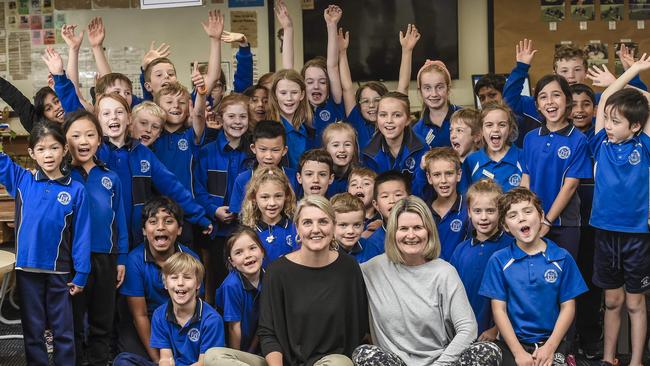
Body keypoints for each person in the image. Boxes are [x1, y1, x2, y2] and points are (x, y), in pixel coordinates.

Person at [206, 195, 368, 366]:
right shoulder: (277, 271)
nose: (315, 229)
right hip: (282, 362)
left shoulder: (348, 268)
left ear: (333, 225)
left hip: (328, 362)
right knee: (214, 356)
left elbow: (357, 327)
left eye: (323, 221)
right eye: (307, 223)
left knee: (340, 364)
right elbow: (268, 332)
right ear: (297, 227)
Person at [354, 196, 500, 366]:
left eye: (418, 227)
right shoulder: (371, 269)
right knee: (364, 353)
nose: (411, 235)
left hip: (441, 361)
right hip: (395, 363)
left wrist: (441, 364)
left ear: (429, 231)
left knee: (489, 351)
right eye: (403, 228)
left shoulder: (444, 272)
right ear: (393, 233)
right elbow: (336, 271)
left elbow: (468, 328)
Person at [0, 121, 91, 365]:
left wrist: (81, 273)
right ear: (32, 153)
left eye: (53, 148)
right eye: (40, 149)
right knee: (33, 331)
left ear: (64, 150)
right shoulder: (22, 180)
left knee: (63, 330)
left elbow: (82, 235)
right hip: (27, 271)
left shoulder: (76, 190)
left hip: (60, 273)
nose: (47, 154)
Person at [479, 187, 588, 366]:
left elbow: (568, 307)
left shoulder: (562, 257)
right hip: (512, 345)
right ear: (505, 226)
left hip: (552, 343)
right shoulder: (499, 260)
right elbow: (499, 310)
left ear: (541, 216)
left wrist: (550, 348)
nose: (521, 218)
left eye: (527, 211)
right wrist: (518, 353)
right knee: (474, 354)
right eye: (512, 215)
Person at [589, 55, 650, 366]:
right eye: (608, 120)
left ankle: (637, 360)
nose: (608, 125)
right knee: (612, 301)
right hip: (605, 232)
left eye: (616, 121)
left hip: (637, 236)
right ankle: (609, 358)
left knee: (636, 302)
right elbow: (607, 102)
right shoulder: (601, 142)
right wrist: (631, 71)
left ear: (636, 125)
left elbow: (644, 103)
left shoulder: (645, 145)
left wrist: (637, 82)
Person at [94, 92, 213, 245]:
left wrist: (200, 216)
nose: (114, 117)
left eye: (119, 112)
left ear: (128, 118)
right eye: (106, 113)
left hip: (136, 238)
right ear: (97, 120)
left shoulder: (144, 155)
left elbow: (172, 187)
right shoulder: (95, 153)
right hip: (103, 240)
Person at [64, 110, 129, 366]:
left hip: (105, 258)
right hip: (71, 259)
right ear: (65, 140)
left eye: (90, 135)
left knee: (102, 320)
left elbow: (120, 222)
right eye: (76, 135)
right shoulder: (62, 178)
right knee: (73, 321)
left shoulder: (110, 177)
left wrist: (121, 258)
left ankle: (100, 362)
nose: (84, 141)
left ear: (99, 140)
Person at [118, 197, 202, 362]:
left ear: (179, 229)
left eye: (169, 221)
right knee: (125, 360)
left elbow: (196, 306)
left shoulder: (191, 258)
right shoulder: (134, 260)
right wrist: (157, 360)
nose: (161, 227)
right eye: (153, 221)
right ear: (144, 230)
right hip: (146, 325)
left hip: (180, 323)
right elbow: (139, 315)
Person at [521, 74, 592, 259]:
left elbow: (570, 186)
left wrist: (547, 221)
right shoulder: (530, 138)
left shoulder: (578, 139)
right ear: (537, 104)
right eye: (543, 97)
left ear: (567, 100)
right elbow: (525, 180)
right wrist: (525, 216)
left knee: (562, 277)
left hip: (564, 224)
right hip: (532, 221)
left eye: (556, 95)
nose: (550, 102)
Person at [193, 93, 254, 302]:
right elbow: (197, 189)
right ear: (220, 118)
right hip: (217, 232)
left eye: (243, 116)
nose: (237, 122)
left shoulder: (254, 154)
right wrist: (213, 210)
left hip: (247, 229)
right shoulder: (207, 152)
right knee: (218, 281)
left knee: (248, 283)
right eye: (231, 116)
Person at [114, 252, 224, 366]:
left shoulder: (212, 320)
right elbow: (166, 358)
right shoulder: (160, 314)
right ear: (166, 284)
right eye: (174, 277)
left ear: (198, 284)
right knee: (123, 360)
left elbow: (204, 363)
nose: (180, 283)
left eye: (187, 277)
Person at [450, 179, 511, 340]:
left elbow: (517, 296)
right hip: (463, 331)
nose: (483, 217)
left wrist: (496, 330)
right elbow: (452, 293)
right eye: (477, 211)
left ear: (501, 212)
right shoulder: (460, 250)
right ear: (469, 212)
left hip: (497, 333)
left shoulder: (511, 248)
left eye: (490, 211)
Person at [361, 91, 427, 195]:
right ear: (377, 118)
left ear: (408, 120)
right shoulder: (369, 152)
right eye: (383, 115)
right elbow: (371, 193)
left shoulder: (421, 147)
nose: (389, 120)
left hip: (413, 206)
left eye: (397, 115)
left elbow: (424, 191)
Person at [229, 120, 299, 215]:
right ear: (253, 148)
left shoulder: (294, 177)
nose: (268, 156)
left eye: (275, 150)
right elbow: (237, 217)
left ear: (284, 150)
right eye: (263, 149)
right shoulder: (242, 179)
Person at [337, 27, 388, 149]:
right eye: (365, 101)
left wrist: (407, 51)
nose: (371, 105)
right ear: (358, 105)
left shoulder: (391, 125)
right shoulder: (356, 120)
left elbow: (403, 85)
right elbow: (347, 87)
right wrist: (342, 52)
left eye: (377, 100)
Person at [215, 227, 265, 353]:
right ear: (232, 262)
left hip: (256, 344)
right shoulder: (232, 286)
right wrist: (238, 358)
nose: (247, 255)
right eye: (239, 252)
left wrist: (251, 352)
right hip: (231, 346)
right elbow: (233, 328)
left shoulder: (268, 278)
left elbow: (263, 322)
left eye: (252, 248)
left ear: (262, 251)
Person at [302, 5, 345, 145]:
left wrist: (331, 25)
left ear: (329, 85)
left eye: (322, 81)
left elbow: (332, 66)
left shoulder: (335, 103)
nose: (316, 86)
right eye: (309, 82)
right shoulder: (297, 108)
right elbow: (287, 71)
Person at [240, 166, 298, 267]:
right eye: (265, 197)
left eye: (278, 196)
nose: (272, 203)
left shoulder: (295, 228)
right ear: (254, 198)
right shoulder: (248, 234)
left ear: (286, 196)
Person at [462, 102, 524, 193]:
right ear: (481, 130)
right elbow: (464, 198)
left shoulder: (523, 157)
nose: (495, 129)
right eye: (489, 125)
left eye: (502, 125)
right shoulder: (471, 161)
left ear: (510, 129)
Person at [423, 147, 469, 260]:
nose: (443, 180)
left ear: (458, 175)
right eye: (437, 175)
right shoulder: (422, 211)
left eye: (449, 174)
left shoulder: (469, 209)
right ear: (429, 178)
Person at [267, 69, 315, 169]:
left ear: (302, 95)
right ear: (275, 95)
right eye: (283, 93)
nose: (289, 98)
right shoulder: (267, 128)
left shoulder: (309, 128)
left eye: (294, 92)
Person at [412, 59, 461, 149]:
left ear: (448, 88)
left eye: (439, 87)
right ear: (420, 91)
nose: (434, 94)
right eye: (427, 88)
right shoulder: (417, 130)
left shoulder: (465, 117)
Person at [364, 171, 410, 254]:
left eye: (398, 195)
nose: (392, 201)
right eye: (385, 196)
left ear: (409, 199)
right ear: (376, 204)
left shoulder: (421, 231)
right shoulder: (374, 243)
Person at [331, 192, 381, 263]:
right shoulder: (323, 252)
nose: (351, 231)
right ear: (331, 226)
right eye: (343, 225)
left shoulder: (372, 249)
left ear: (363, 225)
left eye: (357, 225)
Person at [323, 122, 358, 196]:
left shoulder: (359, 178)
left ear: (354, 149)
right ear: (326, 149)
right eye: (336, 145)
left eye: (347, 144)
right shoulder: (320, 177)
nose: (342, 150)